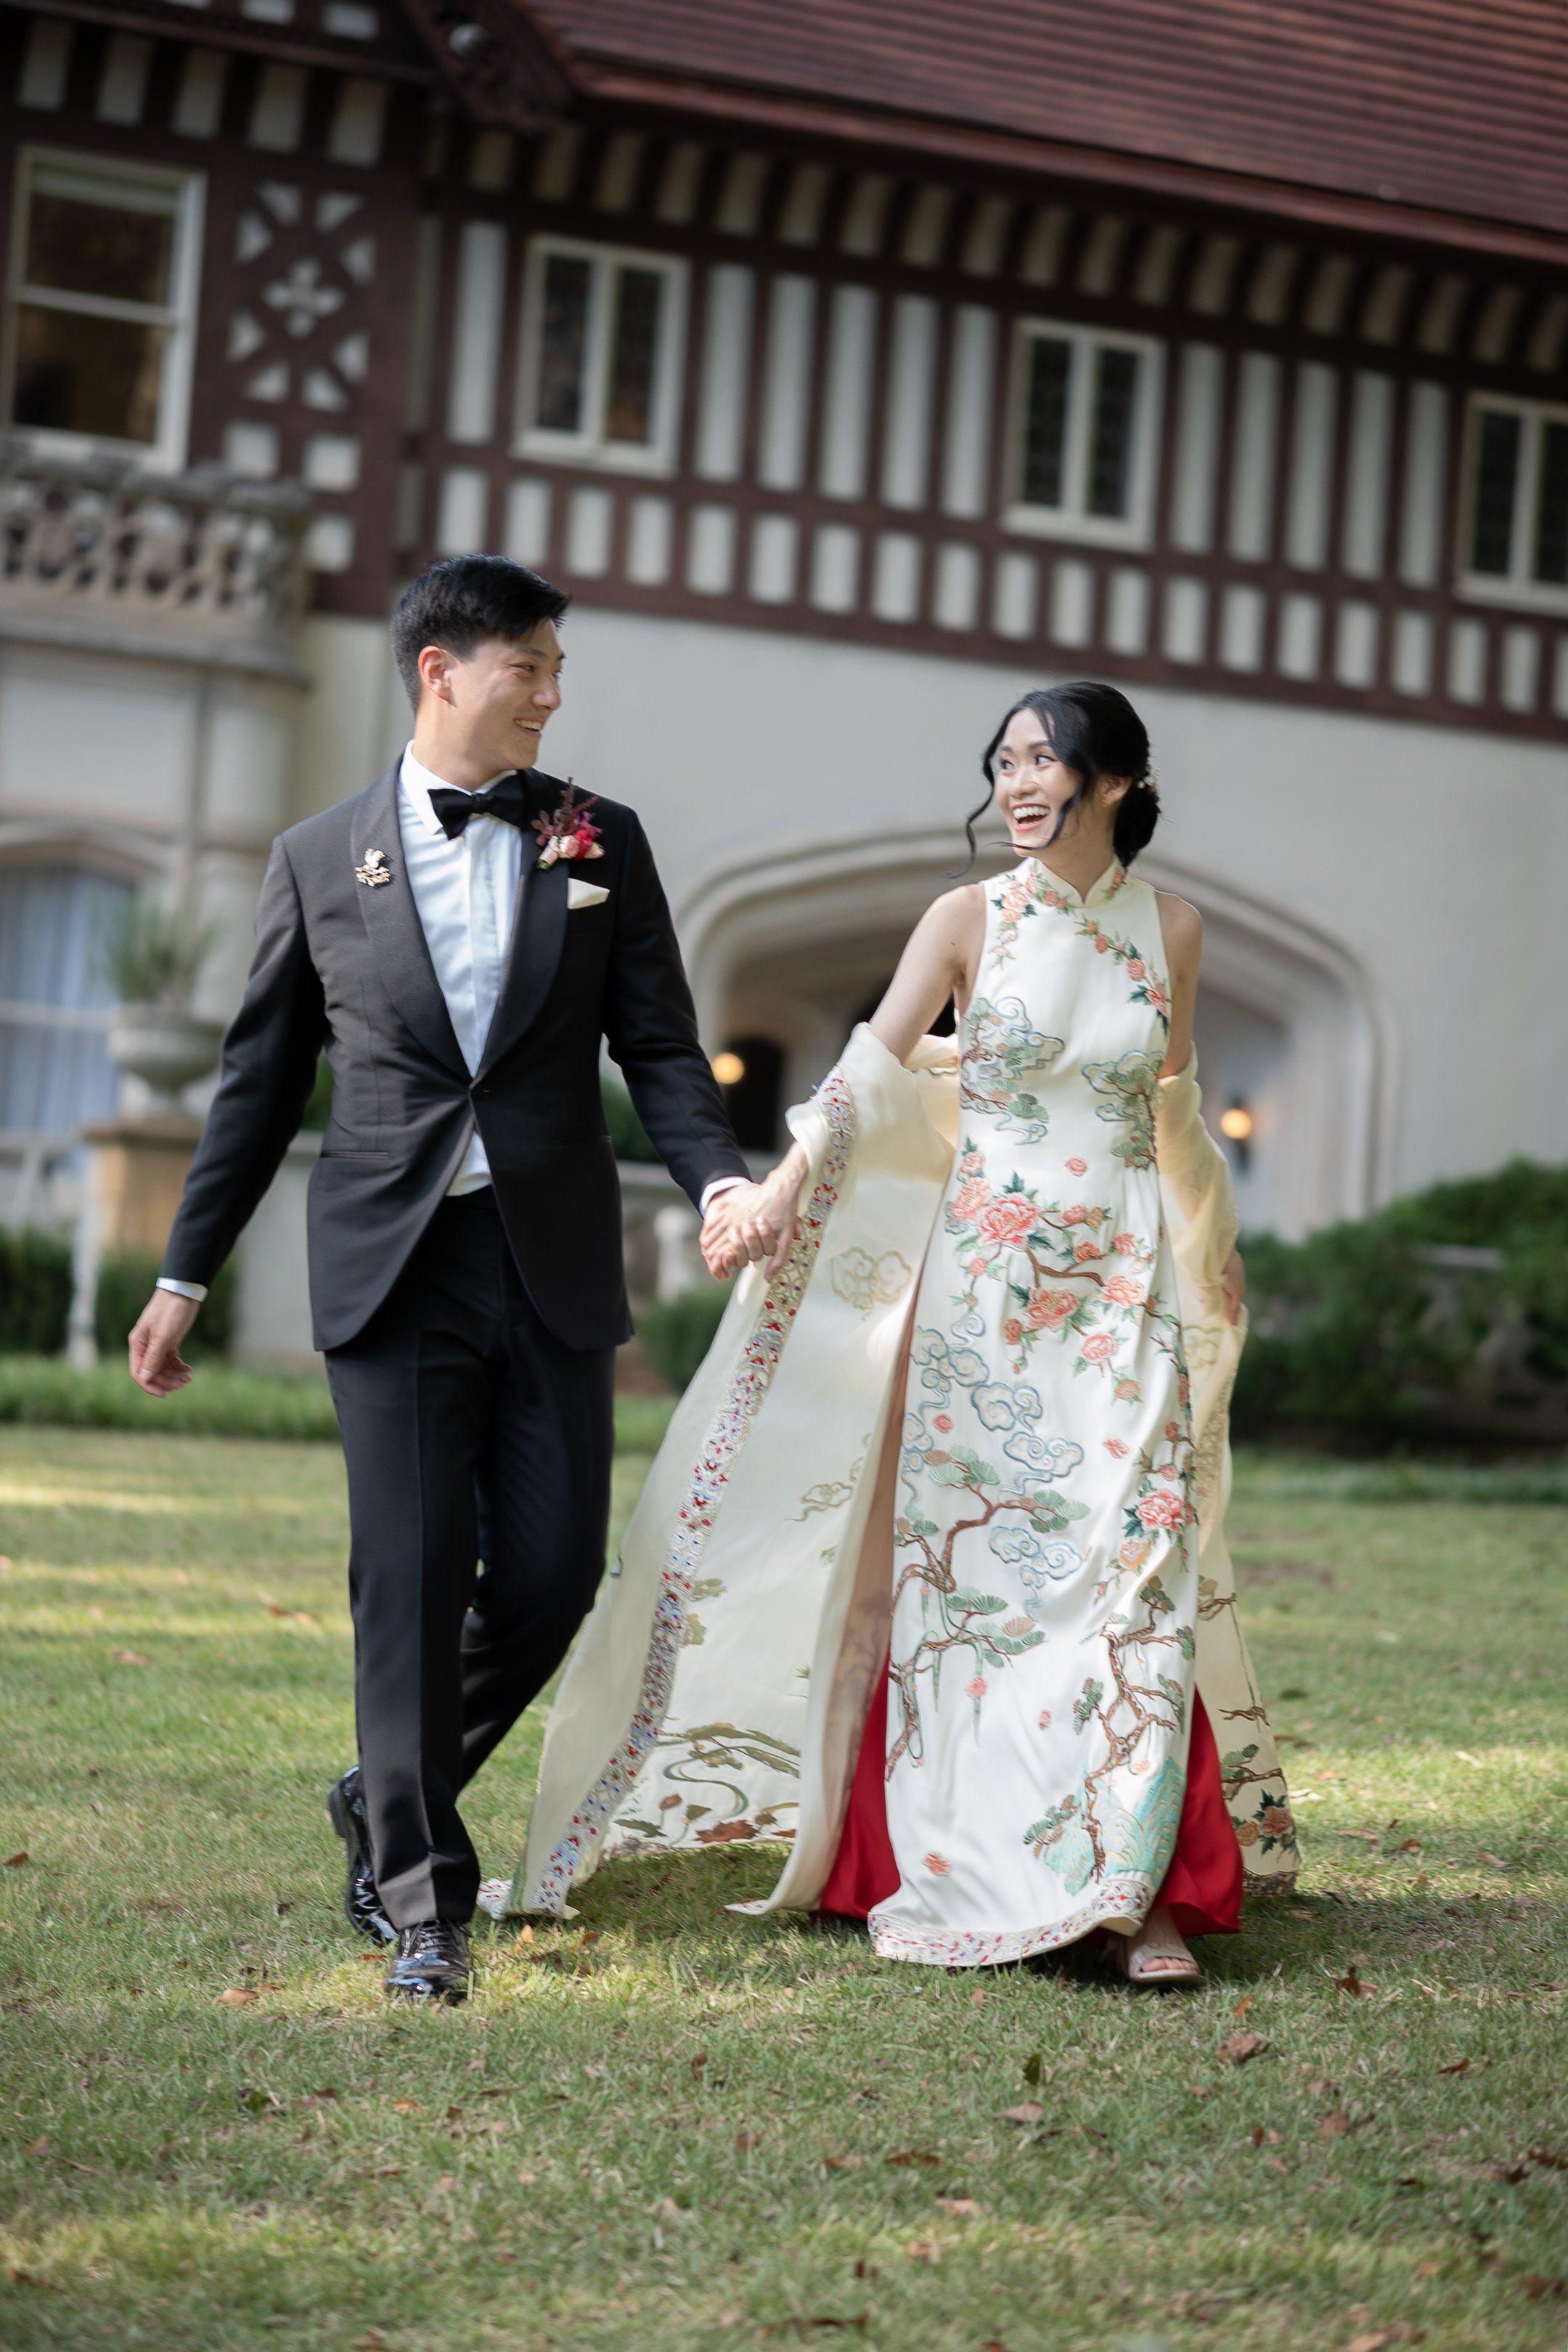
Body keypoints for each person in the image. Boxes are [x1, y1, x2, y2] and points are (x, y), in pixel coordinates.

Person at [513, 681, 1298, 1983]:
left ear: (1112, 782)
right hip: (982, 1311)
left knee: (1131, 1576)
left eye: (1044, 760)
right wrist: (771, 1190)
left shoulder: (1177, 930)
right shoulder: (964, 920)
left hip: (1119, 1305)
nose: (1015, 783)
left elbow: (1172, 1111)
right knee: (985, 1594)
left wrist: (1208, 1253)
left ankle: (1132, 1886)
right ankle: (974, 1860)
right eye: (1003, 762)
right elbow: (873, 1071)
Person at [126, 555, 760, 2004]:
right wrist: (185, 1275)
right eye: (527, 664)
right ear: (441, 669)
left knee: (542, 1581)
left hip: (547, 1263)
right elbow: (256, 1083)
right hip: (392, 1269)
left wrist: (721, 1175)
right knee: (408, 1584)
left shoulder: (599, 840)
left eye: (553, 669)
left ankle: (383, 1787)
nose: (550, 691)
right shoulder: (315, 858)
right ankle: (423, 1901)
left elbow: (658, 1043)